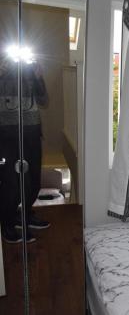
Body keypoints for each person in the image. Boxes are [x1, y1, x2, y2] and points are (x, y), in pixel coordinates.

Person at [0, 54, 50, 244]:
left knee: (33, 181)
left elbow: (44, 101)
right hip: (6, 136)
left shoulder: (31, 72)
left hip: (31, 133)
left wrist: (38, 77)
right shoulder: (2, 73)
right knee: (10, 183)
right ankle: (7, 224)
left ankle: (25, 216)